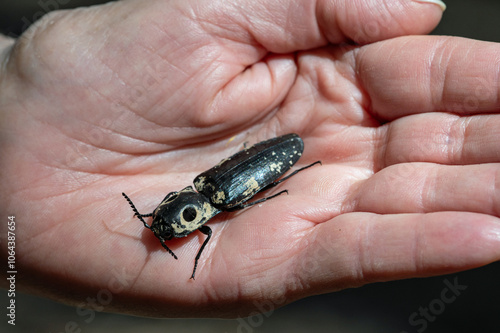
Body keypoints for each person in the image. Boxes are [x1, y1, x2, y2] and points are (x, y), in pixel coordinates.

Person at [1, 0, 498, 318]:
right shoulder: (207, 192)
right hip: (257, 162)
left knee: (262, 181)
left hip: (273, 155)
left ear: (188, 209)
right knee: (257, 185)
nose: (173, 227)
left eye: (172, 222)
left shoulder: (212, 199)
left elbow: (238, 197)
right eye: (173, 226)